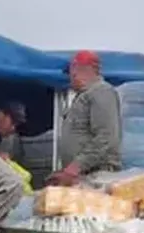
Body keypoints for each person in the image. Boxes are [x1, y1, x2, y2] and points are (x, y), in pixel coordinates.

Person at [48, 50, 122, 187]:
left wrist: (76, 166)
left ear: (76, 69)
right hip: (84, 175)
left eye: (71, 72)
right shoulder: (83, 96)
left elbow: (106, 137)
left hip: (98, 176)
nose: (71, 77)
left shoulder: (101, 92)